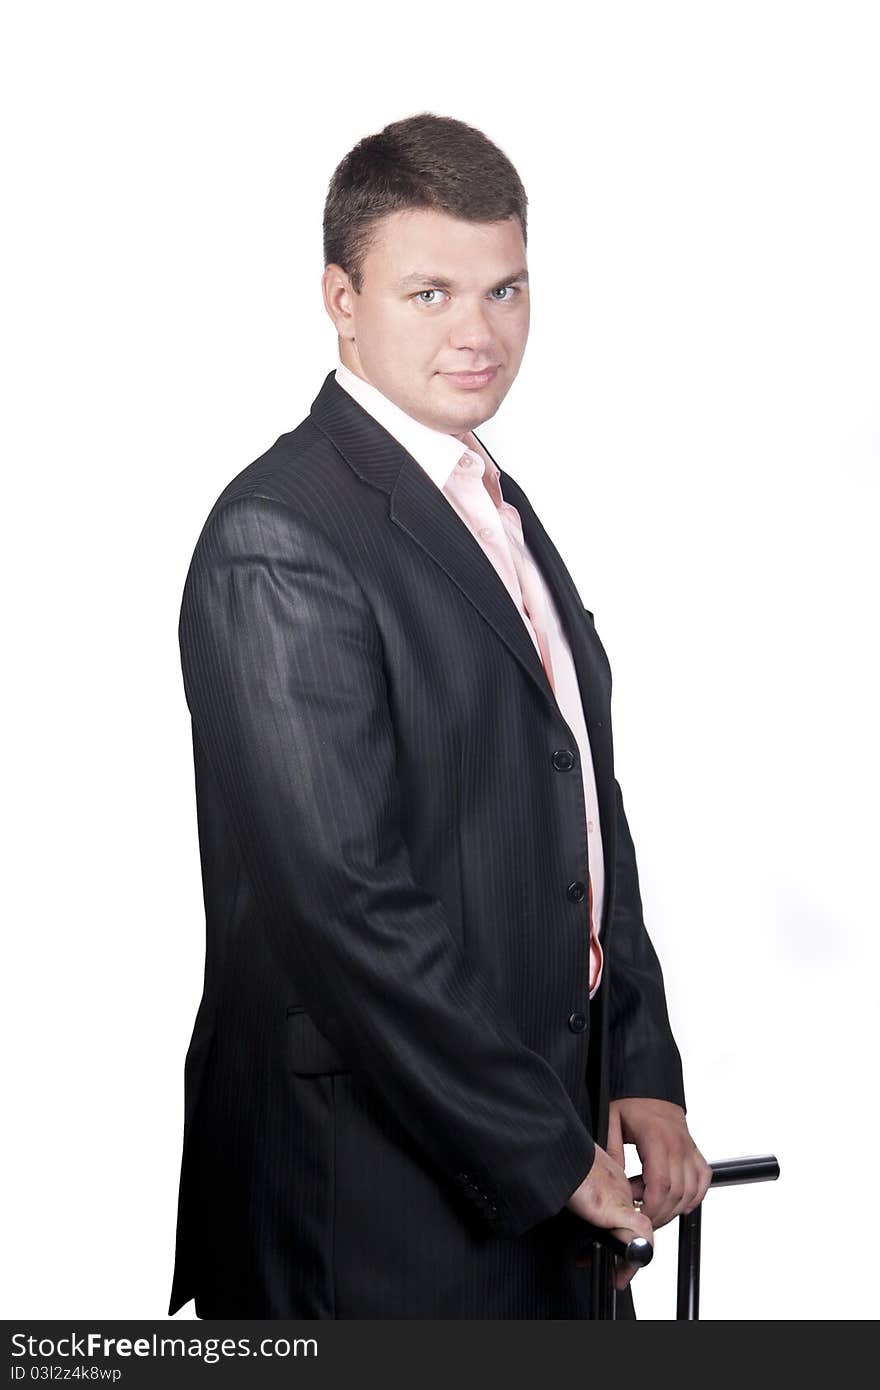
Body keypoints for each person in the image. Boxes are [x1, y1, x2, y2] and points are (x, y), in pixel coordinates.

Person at [168, 111, 712, 1320]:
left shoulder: (494, 503)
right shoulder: (281, 534)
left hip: (549, 1179)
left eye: (504, 288)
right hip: (366, 1201)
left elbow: (583, 810)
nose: (478, 332)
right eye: (429, 292)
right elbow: (343, 905)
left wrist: (639, 1069)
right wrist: (542, 1144)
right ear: (340, 297)